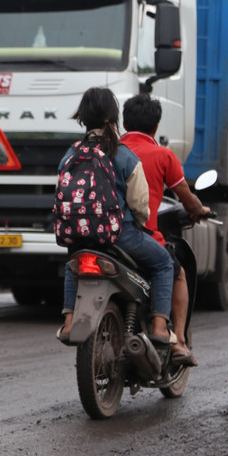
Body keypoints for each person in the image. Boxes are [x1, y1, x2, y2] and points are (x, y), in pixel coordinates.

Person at [57, 87, 175, 342]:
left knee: (73, 263)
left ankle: (68, 322)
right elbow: (140, 204)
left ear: (83, 118)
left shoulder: (70, 154)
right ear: (113, 118)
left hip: (78, 235)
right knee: (164, 263)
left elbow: (60, 192)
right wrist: (140, 223)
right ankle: (159, 327)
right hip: (121, 235)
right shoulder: (122, 155)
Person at [121, 93, 211, 367]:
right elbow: (186, 197)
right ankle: (177, 341)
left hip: (101, 234)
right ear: (156, 127)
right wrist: (200, 210)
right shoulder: (163, 155)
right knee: (175, 271)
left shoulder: (109, 152)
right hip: (139, 236)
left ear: (124, 123)